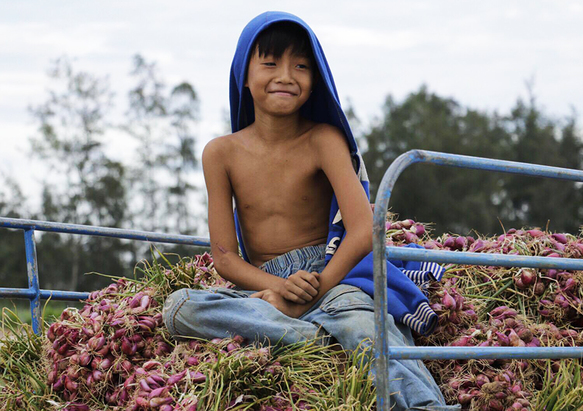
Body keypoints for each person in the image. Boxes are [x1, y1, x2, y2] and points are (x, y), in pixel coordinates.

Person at [163, 11, 460, 411]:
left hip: (330, 276)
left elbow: (361, 231)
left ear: (314, 79)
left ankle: (426, 405)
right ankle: (315, 337)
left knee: (364, 325)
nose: (286, 75)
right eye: (270, 63)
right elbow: (224, 257)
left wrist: (316, 287)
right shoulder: (221, 153)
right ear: (244, 77)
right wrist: (279, 290)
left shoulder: (323, 139)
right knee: (180, 307)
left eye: (301, 66)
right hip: (263, 288)